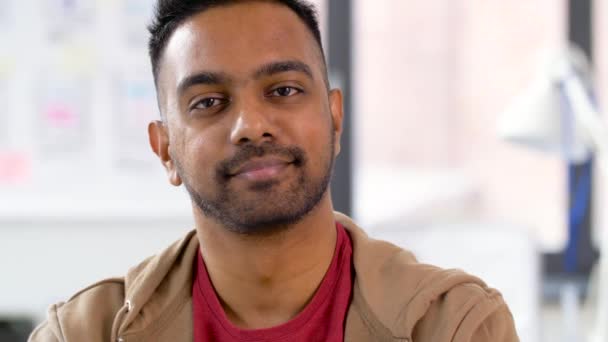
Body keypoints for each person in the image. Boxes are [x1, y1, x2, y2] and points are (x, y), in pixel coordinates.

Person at [29, 1, 519, 341]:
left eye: (283, 90)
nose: (250, 126)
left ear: (334, 118)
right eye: (209, 102)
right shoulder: (79, 333)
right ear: (164, 151)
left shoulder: (454, 325)